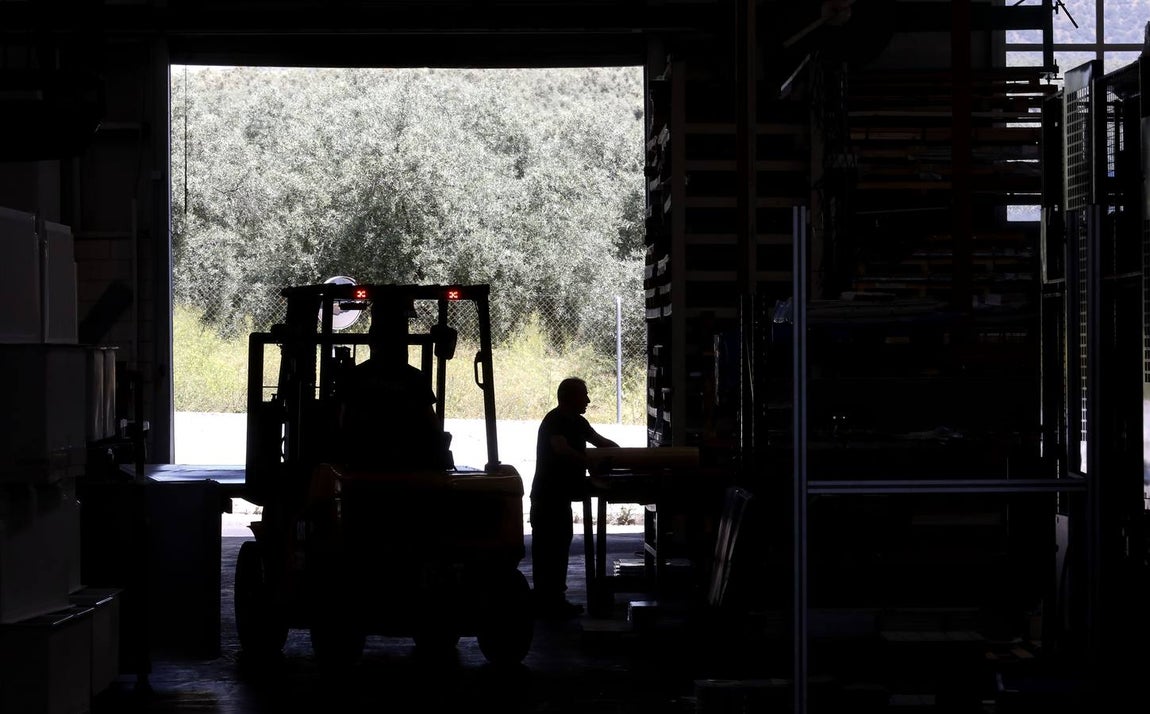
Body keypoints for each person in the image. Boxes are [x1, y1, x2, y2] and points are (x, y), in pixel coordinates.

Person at [529, 377, 618, 619]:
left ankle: (552, 600)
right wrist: (591, 461)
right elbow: (561, 449)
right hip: (548, 497)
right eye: (584, 395)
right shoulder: (555, 421)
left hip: (559, 496)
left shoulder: (577, 422)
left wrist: (621, 455)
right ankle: (548, 601)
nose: (588, 399)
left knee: (557, 547)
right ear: (569, 397)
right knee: (550, 549)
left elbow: (599, 442)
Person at [337, 302, 448, 471]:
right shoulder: (414, 378)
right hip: (409, 462)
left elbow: (344, 423)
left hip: (364, 461)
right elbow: (431, 423)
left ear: (371, 342)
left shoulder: (356, 376)